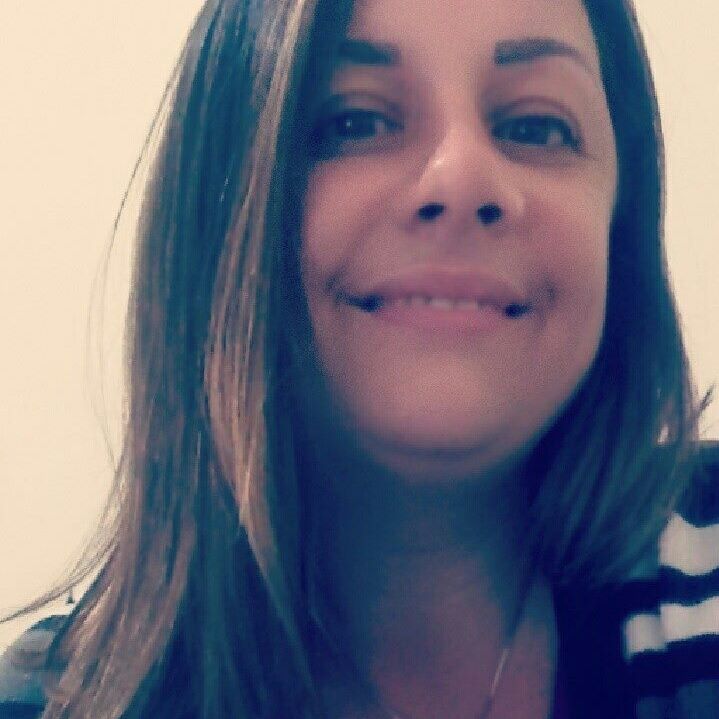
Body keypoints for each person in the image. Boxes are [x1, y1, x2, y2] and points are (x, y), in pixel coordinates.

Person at [1, 0, 717, 717]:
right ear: (218, 217)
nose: (461, 177)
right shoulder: (58, 702)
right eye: (353, 122)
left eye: (535, 126)